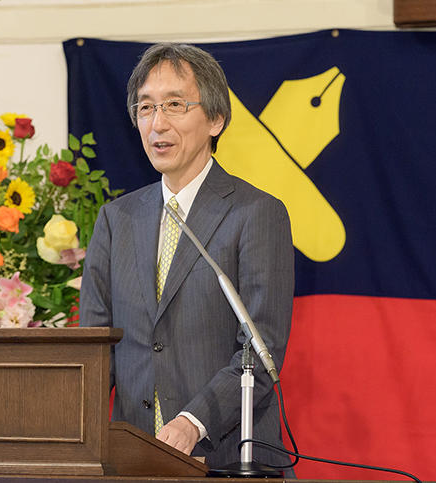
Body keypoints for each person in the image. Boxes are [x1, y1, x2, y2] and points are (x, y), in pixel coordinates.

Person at [79, 42, 294, 471]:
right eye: (146, 108)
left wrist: (193, 422)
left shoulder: (255, 213)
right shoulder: (116, 219)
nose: (157, 123)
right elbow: (94, 352)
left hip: (229, 459)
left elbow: (260, 349)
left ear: (216, 119)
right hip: (132, 461)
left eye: (174, 105)